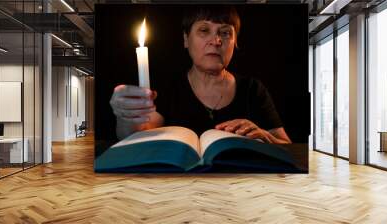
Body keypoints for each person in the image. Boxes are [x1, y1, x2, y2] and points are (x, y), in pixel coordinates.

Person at [110, 6, 291, 144]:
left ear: (235, 42)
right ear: (186, 39)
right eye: (204, 30)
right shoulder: (168, 87)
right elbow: (136, 135)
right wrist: (127, 115)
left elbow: (287, 146)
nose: (216, 40)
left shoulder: (253, 89)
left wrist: (267, 138)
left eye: (225, 32)